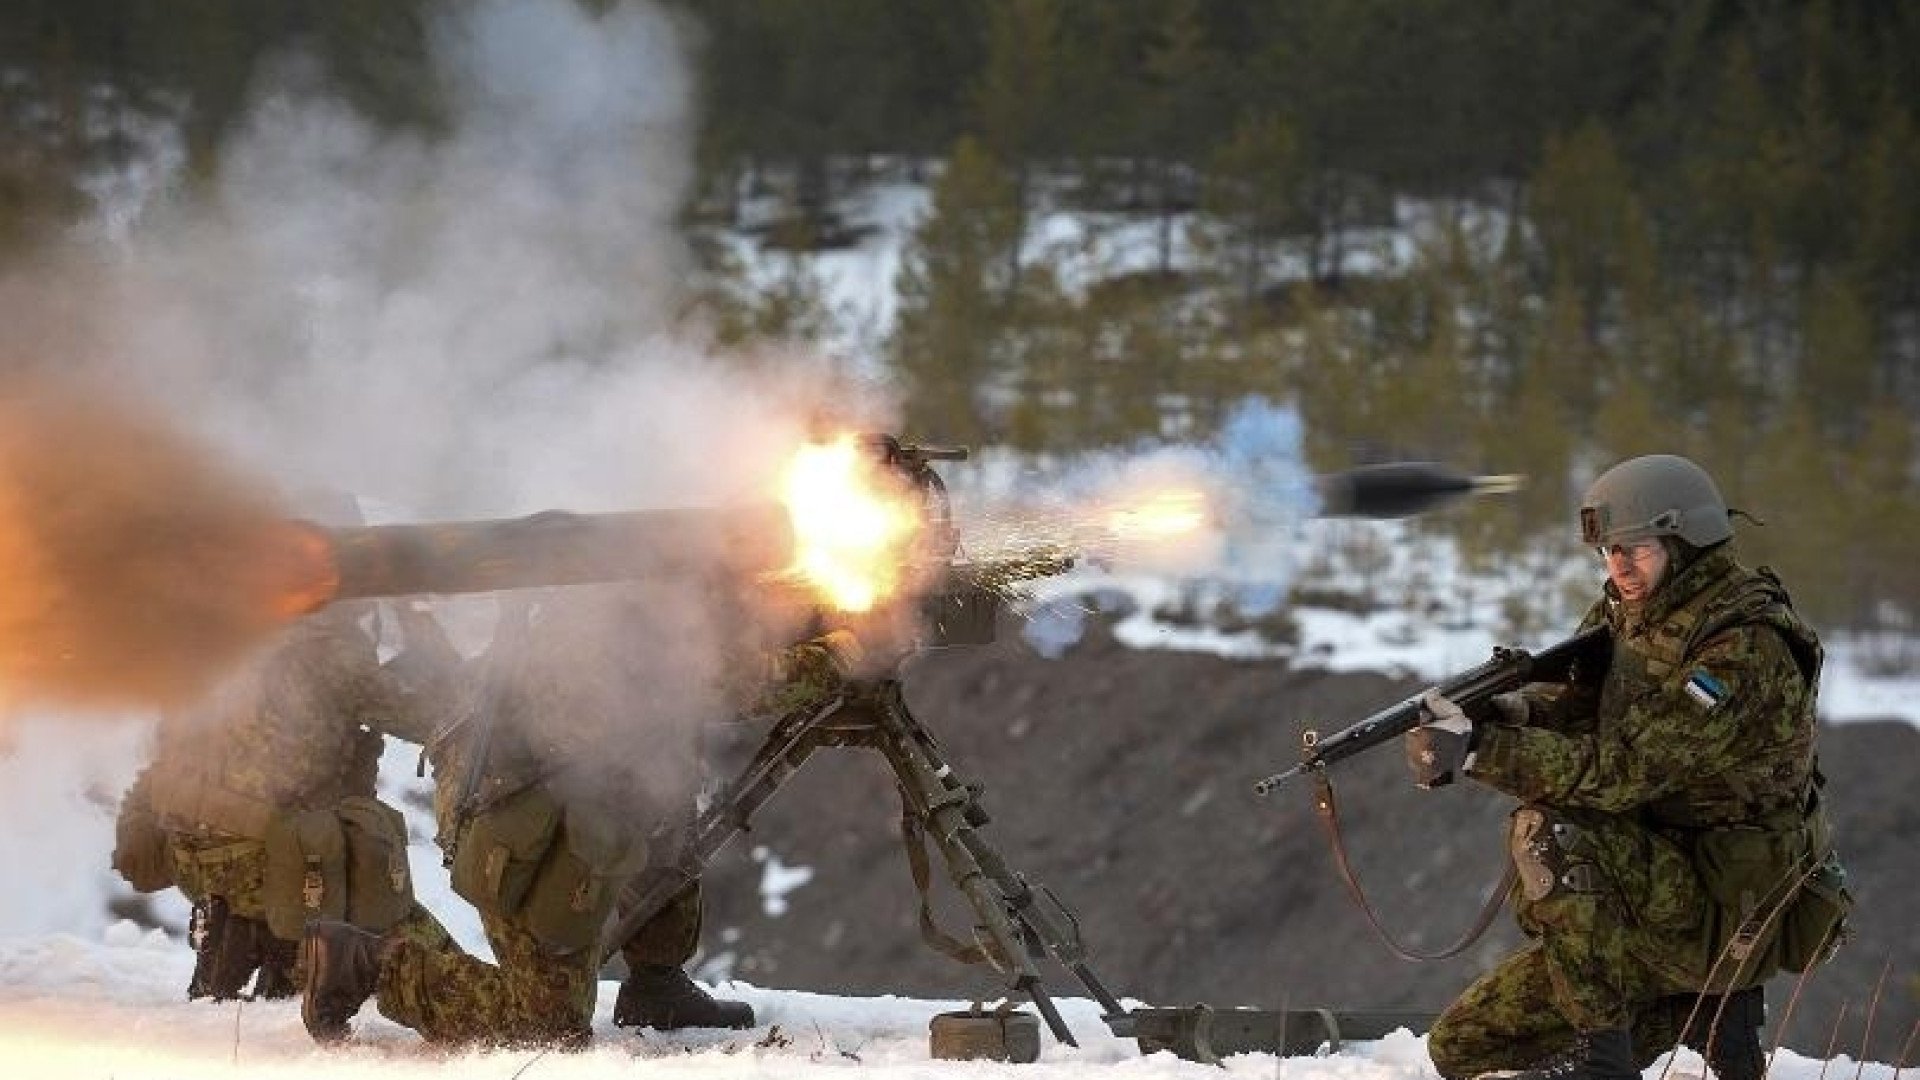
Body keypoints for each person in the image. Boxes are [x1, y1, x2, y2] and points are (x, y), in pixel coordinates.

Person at [1404, 454, 1844, 1080]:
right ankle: (1702, 1010)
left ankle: (1604, 1059)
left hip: (1728, 898)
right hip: (1655, 878)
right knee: (1461, 1047)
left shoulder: (1745, 645)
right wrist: (1511, 711)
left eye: (1634, 550)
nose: (1618, 568)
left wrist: (1479, 750)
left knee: (1547, 829)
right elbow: (1582, 705)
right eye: (1608, 552)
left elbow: (1626, 767)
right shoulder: (1632, 612)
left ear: (1684, 539)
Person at [299, 587, 857, 1048]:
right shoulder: (624, 594)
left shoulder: (654, 574)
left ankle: (656, 983)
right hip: (514, 807)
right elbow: (728, 680)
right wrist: (845, 653)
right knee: (547, 1028)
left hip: (582, 784)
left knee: (659, 790)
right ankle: (365, 963)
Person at [111, 599, 453, 1002]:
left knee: (280, 820)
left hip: (193, 861)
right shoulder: (330, 654)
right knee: (405, 916)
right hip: (277, 866)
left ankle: (247, 936)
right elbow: (435, 721)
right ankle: (302, 954)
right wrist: (431, 642)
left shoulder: (218, 642)